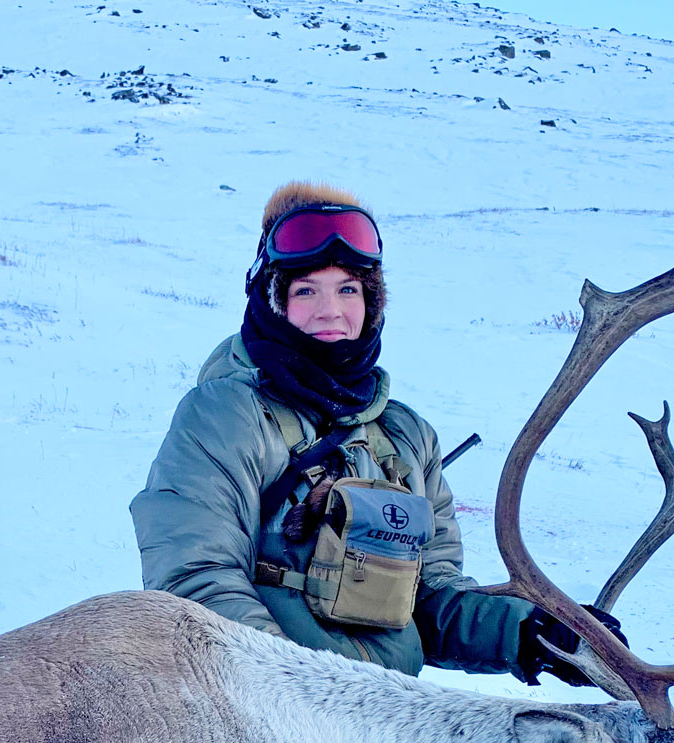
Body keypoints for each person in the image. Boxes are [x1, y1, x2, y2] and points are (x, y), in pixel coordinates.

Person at [130, 181, 616, 681]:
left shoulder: (406, 436)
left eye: (348, 289)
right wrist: (301, 695)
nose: (330, 310)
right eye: (305, 290)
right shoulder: (225, 414)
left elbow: (429, 597)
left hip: (385, 722)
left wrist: (529, 631)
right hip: (264, 717)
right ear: (269, 300)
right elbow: (194, 581)